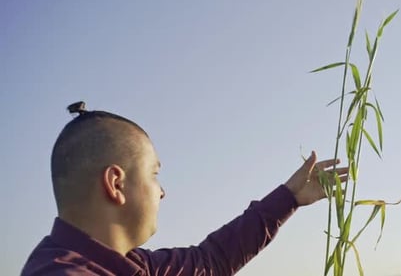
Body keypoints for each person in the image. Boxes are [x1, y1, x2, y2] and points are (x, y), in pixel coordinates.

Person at [21, 101, 348, 276]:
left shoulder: (134, 265)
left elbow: (212, 261)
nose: (161, 192)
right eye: (154, 174)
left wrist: (288, 198)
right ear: (116, 184)